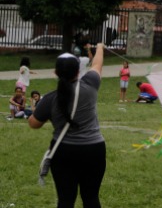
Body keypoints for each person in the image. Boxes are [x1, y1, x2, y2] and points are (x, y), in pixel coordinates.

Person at [29, 44, 106, 208]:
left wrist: (39, 108)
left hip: (63, 152)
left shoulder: (50, 98)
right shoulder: (90, 85)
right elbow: (97, 65)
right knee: (91, 198)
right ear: (78, 72)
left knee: (65, 200)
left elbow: (34, 124)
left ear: (55, 73)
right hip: (94, 150)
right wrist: (100, 48)